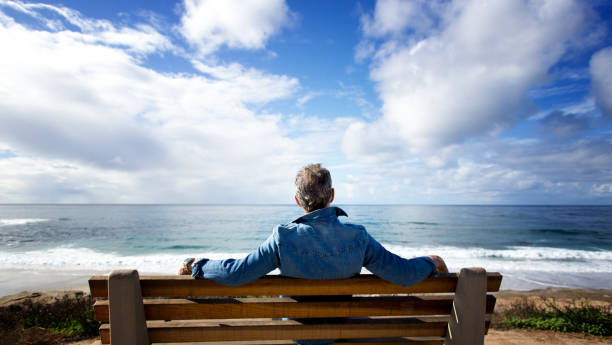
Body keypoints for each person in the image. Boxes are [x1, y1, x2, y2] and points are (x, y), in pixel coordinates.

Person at [178, 163, 448, 344]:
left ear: (297, 200)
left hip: (297, 333)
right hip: (338, 330)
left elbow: (236, 274)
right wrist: (431, 262)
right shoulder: (359, 237)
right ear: (331, 195)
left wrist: (196, 265)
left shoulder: (283, 237)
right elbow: (403, 274)